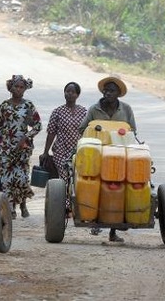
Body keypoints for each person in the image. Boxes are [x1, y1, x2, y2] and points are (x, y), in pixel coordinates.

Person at [79, 76, 136, 243]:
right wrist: (95, 130)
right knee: (96, 185)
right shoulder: (94, 109)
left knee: (117, 186)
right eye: (106, 90)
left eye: (111, 91)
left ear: (118, 93)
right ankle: (95, 222)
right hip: (97, 154)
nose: (107, 93)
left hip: (120, 154)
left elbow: (132, 131)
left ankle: (113, 231)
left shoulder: (126, 110)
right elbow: (82, 128)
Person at [0, 75, 42, 219]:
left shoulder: (28, 105)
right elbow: (0, 128)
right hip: (5, 147)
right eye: (16, 86)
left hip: (22, 149)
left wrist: (26, 137)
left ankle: (22, 203)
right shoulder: (4, 106)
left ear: (25, 89)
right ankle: (10, 209)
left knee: (21, 178)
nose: (18, 89)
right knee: (6, 180)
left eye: (22, 87)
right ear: (11, 88)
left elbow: (37, 126)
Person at [42, 82, 87, 181]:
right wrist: (46, 152)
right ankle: (63, 196)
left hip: (78, 151)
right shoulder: (57, 112)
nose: (70, 94)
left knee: (77, 178)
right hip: (61, 151)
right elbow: (51, 133)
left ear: (78, 95)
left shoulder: (84, 112)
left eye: (73, 92)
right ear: (64, 93)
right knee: (64, 177)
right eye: (67, 91)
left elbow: (88, 132)